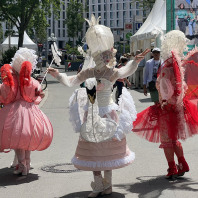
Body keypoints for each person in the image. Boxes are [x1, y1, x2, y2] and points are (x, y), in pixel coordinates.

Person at [48, 15, 150, 198]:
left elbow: (127, 70)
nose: (102, 61)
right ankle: (97, 186)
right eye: (100, 58)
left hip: (109, 112)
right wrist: (57, 75)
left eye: (104, 58)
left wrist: (136, 62)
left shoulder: (112, 72)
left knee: (108, 151)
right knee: (93, 150)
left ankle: (107, 185)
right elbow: (71, 81)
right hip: (92, 111)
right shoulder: (89, 72)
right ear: (95, 58)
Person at [133, 30, 198, 179]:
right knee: (174, 138)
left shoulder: (168, 64)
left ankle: (172, 168)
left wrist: (165, 102)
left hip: (168, 107)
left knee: (166, 140)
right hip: (177, 106)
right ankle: (182, 163)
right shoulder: (176, 62)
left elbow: (165, 85)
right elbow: (179, 86)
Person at [0, 48, 53, 176]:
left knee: (17, 141)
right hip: (30, 113)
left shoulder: (10, 82)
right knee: (27, 140)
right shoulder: (30, 81)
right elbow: (36, 95)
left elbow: (4, 95)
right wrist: (40, 94)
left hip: (13, 114)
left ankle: (22, 165)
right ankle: (26, 165)